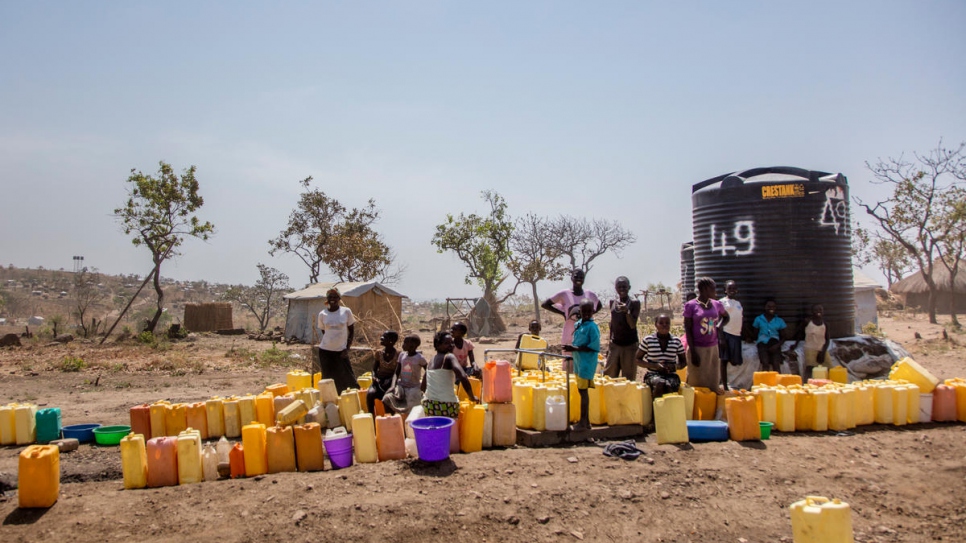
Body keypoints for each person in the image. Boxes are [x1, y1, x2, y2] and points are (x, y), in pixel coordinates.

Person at [683, 277, 729, 391]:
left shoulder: (717, 304)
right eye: (713, 289)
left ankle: (711, 405)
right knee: (697, 382)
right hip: (698, 348)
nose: (715, 292)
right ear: (704, 289)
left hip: (713, 347)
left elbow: (726, 317)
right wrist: (693, 352)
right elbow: (688, 329)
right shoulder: (691, 305)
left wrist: (718, 327)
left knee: (712, 381)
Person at [562, 299, 601, 432]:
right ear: (580, 311)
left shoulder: (592, 327)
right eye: (583, 311)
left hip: (586, 364)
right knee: (580, 390)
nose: (586, 313)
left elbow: (594, 347)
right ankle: (586, 421)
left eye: (589, 311)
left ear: (592, 312)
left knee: (584, 392)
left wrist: (574, 348)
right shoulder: (578, 324)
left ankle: (583, 421)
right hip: (578, 362)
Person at [421, 331, 478, 418]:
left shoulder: (431, 360)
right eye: (447, 343)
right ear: (438, 345)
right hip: (447, 405)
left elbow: (423, 387)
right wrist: (472, 397)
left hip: (429, 405)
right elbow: (463, 377)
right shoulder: (449, 357)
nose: (451, 345)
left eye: (452, 342)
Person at [542, 269, 602, 346]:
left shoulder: (590, 294)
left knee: (584, 355)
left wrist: (590, 314)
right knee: (567, 356)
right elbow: (545, 304)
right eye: (576, 277)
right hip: (569, 333)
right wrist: (563, 313)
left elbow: (599, 305)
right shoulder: (564, 294)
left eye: (581, 277)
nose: (579, 279)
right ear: (571, 278)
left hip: (586, 333)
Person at [316, 288, 359, 394]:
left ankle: (353, 400)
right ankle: (330, 402)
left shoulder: (346, 311)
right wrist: (331, 341)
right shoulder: (322, 314)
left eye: (335, 297)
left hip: (341, 351)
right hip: (325, 351)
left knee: (348, 378)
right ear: (327, 299)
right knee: (328, 379)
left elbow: (351, 331)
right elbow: (324, 331)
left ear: (339, 298)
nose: (332, 299)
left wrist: (347, 348)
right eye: (330, 297)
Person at [636, 314, 687, 398]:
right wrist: (655, 366)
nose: (664, 325)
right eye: (661, 323)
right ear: (656, 324)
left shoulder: (676, 341)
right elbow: (637, 359)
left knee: (669, 385)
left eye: (667, 323)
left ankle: (667, 410)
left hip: (671, 374)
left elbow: (684, 362)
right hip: (652, 374)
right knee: (660, 383)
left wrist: (673, 367)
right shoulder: (648, 340)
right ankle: (656, 409)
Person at [604, 276, 642, 381]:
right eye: (619, 287)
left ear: (629, 287)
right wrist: (609, 346)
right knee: (609, 377)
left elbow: (632, 325)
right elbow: (613, 324)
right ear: (616, 288)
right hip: (615, 344)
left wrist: (627, 312)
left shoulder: (634, 303)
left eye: (624, 287)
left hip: (629, 345)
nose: (622, 289)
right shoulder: (612, 302)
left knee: (628, 379)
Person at [383, 334, 428, 416]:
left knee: (412, 405)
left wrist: (424, 385)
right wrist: (393, 386)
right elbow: (396, 373)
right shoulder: (402, 355)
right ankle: (392, 419)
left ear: (413, 345)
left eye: (405, 342)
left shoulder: (420, 358)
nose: (403, 344)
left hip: (414, 387)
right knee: (387, 398)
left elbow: (428, 371)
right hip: (401, 386)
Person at [793, 304, 831, 380]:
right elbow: (800, 333)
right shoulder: (807, 322)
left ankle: (829, 385)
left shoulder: (825, 324)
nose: (818, 312)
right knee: (810, 368)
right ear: (812, 312)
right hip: (810, 348)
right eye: (816, 310)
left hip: (822, 348)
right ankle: (807, 384)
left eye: (820, 310)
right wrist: (795, 344)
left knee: (829, 367)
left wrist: (823, 352)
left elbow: (827, 340)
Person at [718, 280, 744, 391]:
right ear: (725, 290)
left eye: (734, 288)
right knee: (723, 360)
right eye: (729, 288)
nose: (732, 291)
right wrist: (721, 337)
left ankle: (730, 383)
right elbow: (718, 321)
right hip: (726, 334)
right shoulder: (721, 303)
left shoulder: (738, 304)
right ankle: (724, 385)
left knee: (734, 361)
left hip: (736, 335)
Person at [366, 330, 399, 414]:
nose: (381, 338)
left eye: (385, 337)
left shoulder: (398, 355)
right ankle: (371, 417)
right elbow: (374, 369)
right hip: (379, 381)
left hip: (392, 382)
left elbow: (397, 372)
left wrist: (392, 382)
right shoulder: (379, 353)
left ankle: (391, 419)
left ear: (392, 341)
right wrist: (374, 377)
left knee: (390, 398)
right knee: (370, 394)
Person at [753, 299, 787, 373]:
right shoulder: (758, 319)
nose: (771, 308)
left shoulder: (779, 320)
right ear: (765, 307)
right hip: (762, 343)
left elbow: (784, 337)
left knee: (776, 364)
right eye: (769, 306)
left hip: (775, 343)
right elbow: (755, 334)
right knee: (765, 364)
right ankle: (765, 383)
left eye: (773, 306)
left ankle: (778, 383)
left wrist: (777, 346)